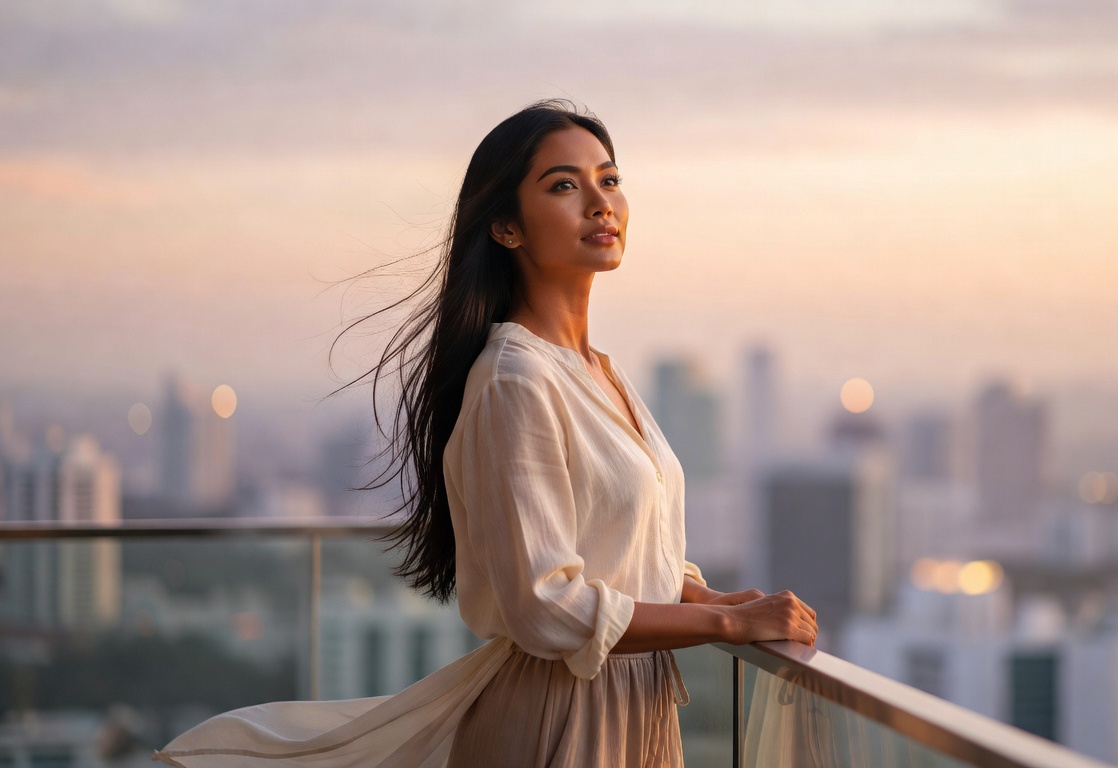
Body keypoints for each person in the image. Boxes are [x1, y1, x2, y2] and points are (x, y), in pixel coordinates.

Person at [153, 100, 818, 767]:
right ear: (506, 227)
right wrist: (727, 625)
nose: (599, 202)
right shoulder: (515, 379)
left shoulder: (600, 373)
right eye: (564, 185)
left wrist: (708, 596)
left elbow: (622, 546)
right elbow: (546, 605)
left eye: (609, 180)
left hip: (633, 709)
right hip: (559, 723)